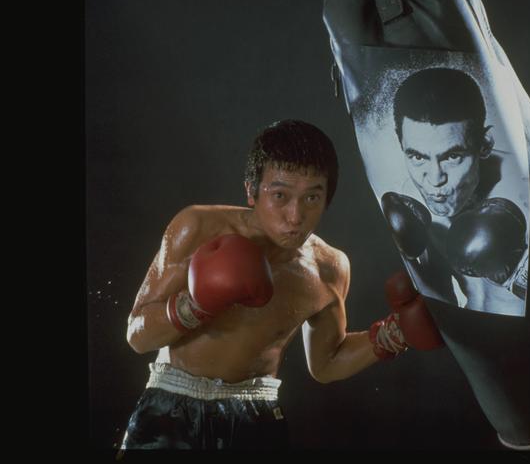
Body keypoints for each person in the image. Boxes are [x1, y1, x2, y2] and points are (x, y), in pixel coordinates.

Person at [120, 119, 443, 451]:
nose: (294, 216)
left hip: (255, 418)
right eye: (280, 195)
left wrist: (394, 334)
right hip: (169, 408)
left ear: (327, 198)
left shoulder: (329, 267)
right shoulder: (198, 227)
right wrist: (195, 305)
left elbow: (327, 363)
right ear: (251, 191)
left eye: (311, 198)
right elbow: (138, 337)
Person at [381, 68, 529, 315]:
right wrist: (411, 261)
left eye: (452, 156)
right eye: (417, 156)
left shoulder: (523, 190)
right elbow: (441, 302)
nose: (435, 179)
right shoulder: (410, 206)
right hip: (470, 342)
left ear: (485, 145)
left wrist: (518, 270)